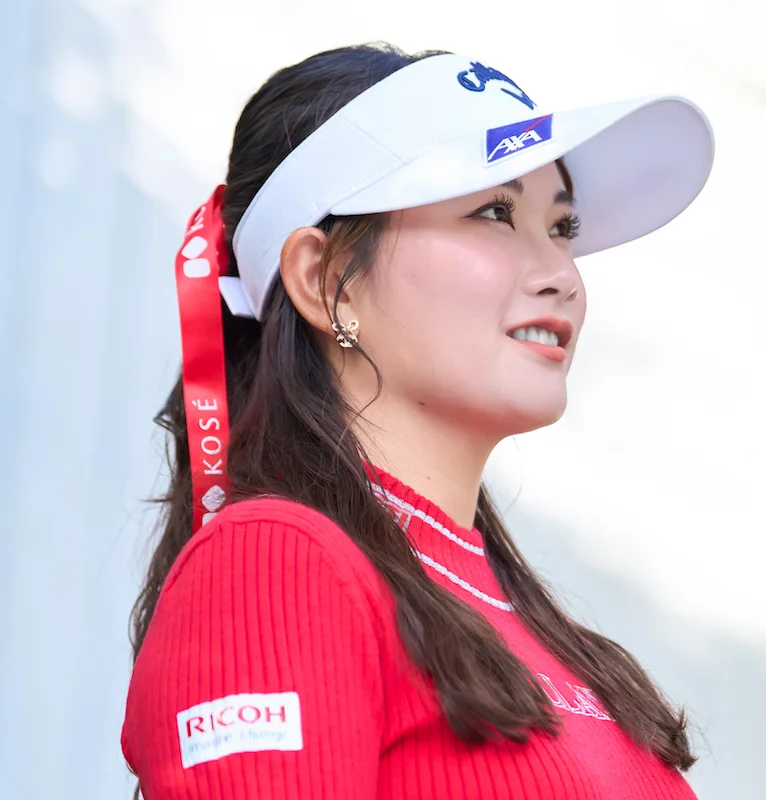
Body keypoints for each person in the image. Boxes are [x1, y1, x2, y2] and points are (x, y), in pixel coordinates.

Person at [121, 42, 714, 799]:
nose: (562, 276)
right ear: (327, 280)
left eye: (562, 227)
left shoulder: (534, 627)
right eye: (494, 213)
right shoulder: (277, 563)